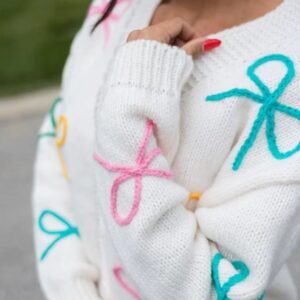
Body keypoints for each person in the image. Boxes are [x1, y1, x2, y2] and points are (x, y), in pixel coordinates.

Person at [32, 0, 300, 299]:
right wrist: (73, 290)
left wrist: (129, 113)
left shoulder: (291, 73)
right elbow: (60, 144)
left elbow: (214, 289)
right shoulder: (117, 7)